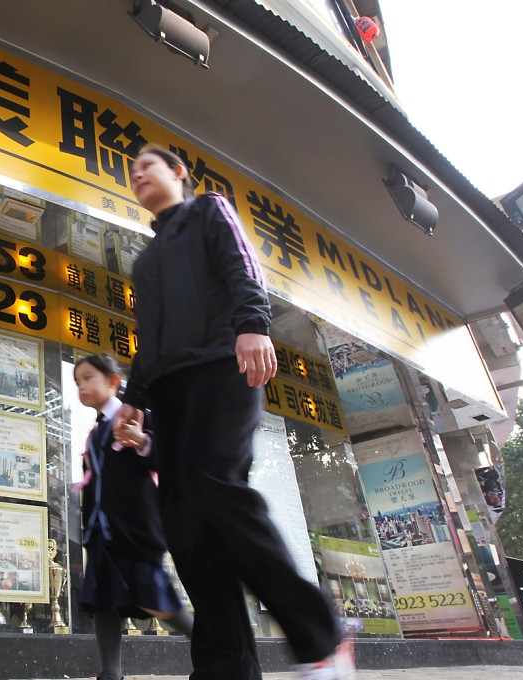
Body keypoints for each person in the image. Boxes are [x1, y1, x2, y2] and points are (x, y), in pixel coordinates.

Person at [113, 145, 354, 680]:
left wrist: (252, 325)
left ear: (178, 172)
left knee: (212, 483)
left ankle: (321, 637)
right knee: (185, 524)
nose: (137, 176)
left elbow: (241, 265)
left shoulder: (209, 210)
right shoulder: (146, 259)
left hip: (225, 367)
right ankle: (226, 669)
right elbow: (148, 340)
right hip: (170, 392)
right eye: (131, 173)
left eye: (147, 166)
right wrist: (133, 399)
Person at [72, 353, 194, 680]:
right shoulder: (95, 435)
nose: (82, 386)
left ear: (113, 381)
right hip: (102, 533)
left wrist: (142, 441)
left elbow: (169, 457)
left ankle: (219, 649)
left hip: (135, 529)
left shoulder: (141, 416)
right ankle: (110, 673)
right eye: (78, 381)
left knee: (157, 599)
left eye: (88, 378)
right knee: (104, 603)